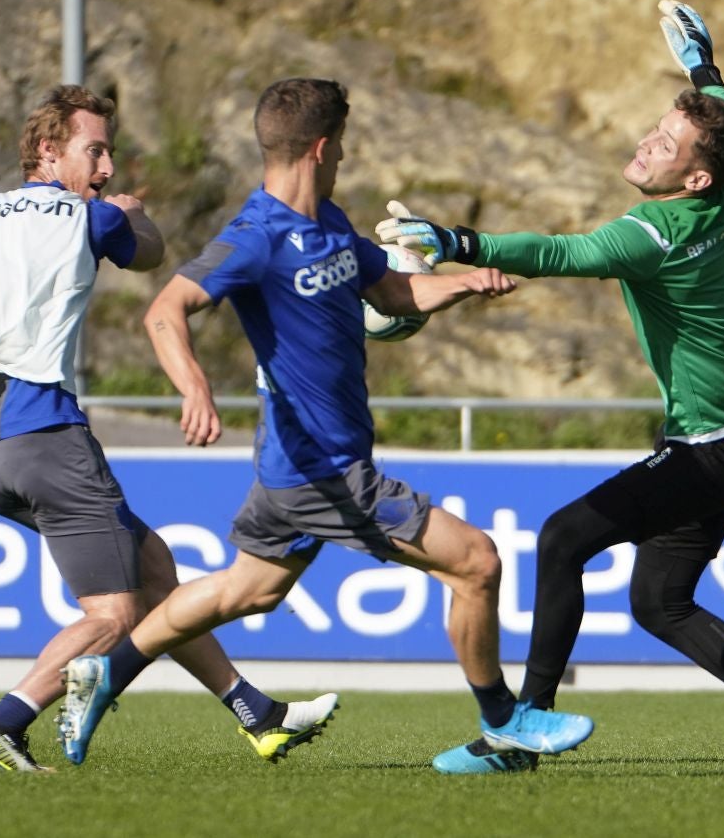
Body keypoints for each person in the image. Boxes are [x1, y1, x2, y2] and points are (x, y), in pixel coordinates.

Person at [53, 76, 587, 773]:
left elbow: (393, 291)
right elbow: (165, 310)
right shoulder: (256, 236)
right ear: (322, 146)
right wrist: (195, 391)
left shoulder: (330, 222)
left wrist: (462, 281)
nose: (342, 160)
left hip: (294, 467)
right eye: (342, 148)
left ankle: (107, 672)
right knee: (476, 561)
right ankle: (502, 723)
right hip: (321, 470)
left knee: (247, 590)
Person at [377, 0, 724, 775]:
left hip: (712, 448)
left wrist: (457, 241)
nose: (647, 142)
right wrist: (700, 64)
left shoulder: (655, 233)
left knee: (564, 537)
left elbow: (561, 253)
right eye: (654, 128)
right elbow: (721, 109)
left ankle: (519, 731)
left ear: (692, 176)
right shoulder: (719, 180)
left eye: (665, 143)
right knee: (657, 603)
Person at [0, 84, 338, 772]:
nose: (105, 168)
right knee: (112, 615)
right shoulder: (90, 217)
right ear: (47, 149)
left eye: (109, 155)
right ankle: (1, 721)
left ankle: (257, 714)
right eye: (94, 151)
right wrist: (131, 213)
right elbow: (152, 255)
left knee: (153, 564)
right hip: (51, 441)